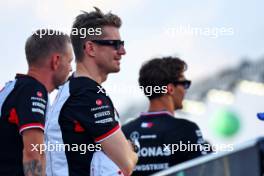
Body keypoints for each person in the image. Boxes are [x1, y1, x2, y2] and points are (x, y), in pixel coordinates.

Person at [45, 7, 138, 176]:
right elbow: (127, 162)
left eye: (122, 44)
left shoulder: (74, 88)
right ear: (91, 48)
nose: (122, 51)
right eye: (115, 44)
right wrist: (132, 148)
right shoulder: (86, 95)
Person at [0, 29, 73, 176]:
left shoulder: (14, 87)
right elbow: (33, 153)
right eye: (69, 61)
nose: (71, 68)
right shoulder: (34, 91)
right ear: (56, 61)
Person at [122, 57, 208, 176]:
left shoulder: (124, 132)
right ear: (170, 88)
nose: (185, 90)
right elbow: (203, 172)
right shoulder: (187, 129)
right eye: (185, 84)